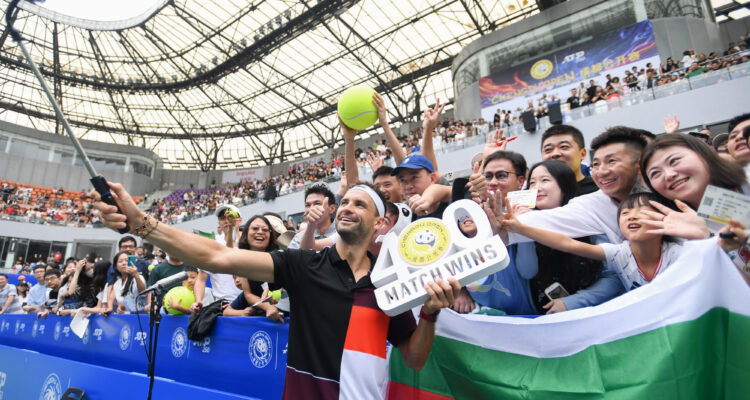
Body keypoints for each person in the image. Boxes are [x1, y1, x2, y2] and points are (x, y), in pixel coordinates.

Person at [93, 180, 461, 400]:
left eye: (359, 203)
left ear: (380, 222)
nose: (347, 206)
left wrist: (429, 314)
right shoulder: (302, 266)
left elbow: (413, 358)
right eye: (344, 201)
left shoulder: (387, 285)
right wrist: (142, 223)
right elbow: (218, 256)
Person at [503, 192, 683, 291]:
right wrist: (521, 228)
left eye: (641, 211)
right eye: (625, 214)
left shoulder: (680, 253)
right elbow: (568, 243)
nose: (631, 217)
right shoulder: (619, 253)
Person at [505, 127, 648, 245]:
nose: (602, 171)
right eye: (596, 164)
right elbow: (549, 221)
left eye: (611, 161)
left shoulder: (663, 190)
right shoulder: (591, 204)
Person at [234, 215, 284, 322]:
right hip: (259, 313)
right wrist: (267, 307)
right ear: (246, 233)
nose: (260, 232)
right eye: (255, 228)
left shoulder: (279, 256)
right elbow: (248, 294)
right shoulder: (242, 260)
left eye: (265, 230)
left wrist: (275, 288)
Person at [540, 125, 598, 195]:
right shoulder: (536, 196)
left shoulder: (601, 189)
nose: (555, 154)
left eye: (564, 147)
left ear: (582, 154)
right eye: (548, 149)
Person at [287, 184, 337, 249]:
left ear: (332, 208)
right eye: (308, 205)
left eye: (317, 203)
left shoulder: (342, 232)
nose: (311, 209)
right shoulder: (298, 238)